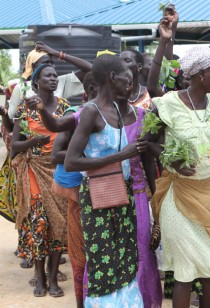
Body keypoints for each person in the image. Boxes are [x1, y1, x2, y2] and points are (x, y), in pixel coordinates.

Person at [147, 13, 210, 308]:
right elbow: (148, 141)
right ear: (200, 75)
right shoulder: (171, 102)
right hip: (179, 198)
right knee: (186, 275)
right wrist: (170, 162)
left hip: (208, 192)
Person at [63, 54, 147, 306]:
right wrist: (120, 155)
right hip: (98, 199)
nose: (130, 85)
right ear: (112, 78)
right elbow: (71, 161)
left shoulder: (118, 111)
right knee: (104, 266)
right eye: (127, 79)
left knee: (126, 261)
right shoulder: (91, 112)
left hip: (123, 194)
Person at [11, 63, 71, 298]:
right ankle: (39, 275)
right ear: (36, 83)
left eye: (55, 76)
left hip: (57, 170)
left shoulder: (65, 107)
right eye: (48, 76)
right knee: (39, 223)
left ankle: (53, 277)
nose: (54, 79)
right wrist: (33, 143)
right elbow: (15, 146)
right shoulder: (26, 109)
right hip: (34, 170)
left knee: (59, 224)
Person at [48, 72, 97, 307]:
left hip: (111, 192)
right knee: (80, 252)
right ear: (89, 91)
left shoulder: (121, 114)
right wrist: (92, 155)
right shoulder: (75, 115)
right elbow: (55, 155)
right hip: (80, 193)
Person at [8, 42, 91, 120]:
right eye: (46, 63)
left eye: (52, 63)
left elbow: (91, 70)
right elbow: (12, 116)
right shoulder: (22, 88)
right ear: (34, 66)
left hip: (59, 134)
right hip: (31, 135)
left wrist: (58, 54)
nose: (50, 66)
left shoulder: (59, 81)